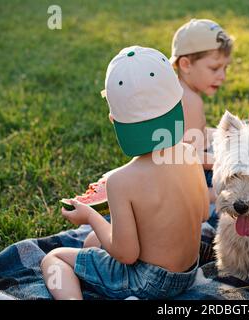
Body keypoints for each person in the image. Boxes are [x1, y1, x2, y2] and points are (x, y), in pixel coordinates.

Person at [40, 46, 210, 300]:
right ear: (177, 104)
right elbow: (204, 213)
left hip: (147, 283)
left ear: (113, 118)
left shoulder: (120, 181)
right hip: (187, 274)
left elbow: (126, 254)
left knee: (54, 259)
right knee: (91, 245)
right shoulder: (188, 152)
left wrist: (90, 216)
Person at [170, 19, 233, 203]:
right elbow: (185, 156)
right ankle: (198, 200)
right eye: (214, 68)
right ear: (186, 65)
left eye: (225, 68)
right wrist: (223, 161)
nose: (222, 76)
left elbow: (190, 135)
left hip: (166, 169)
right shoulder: (191, 101)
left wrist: (222, 134)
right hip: (182, 178)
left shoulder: (176, 90)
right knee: (235, 191)